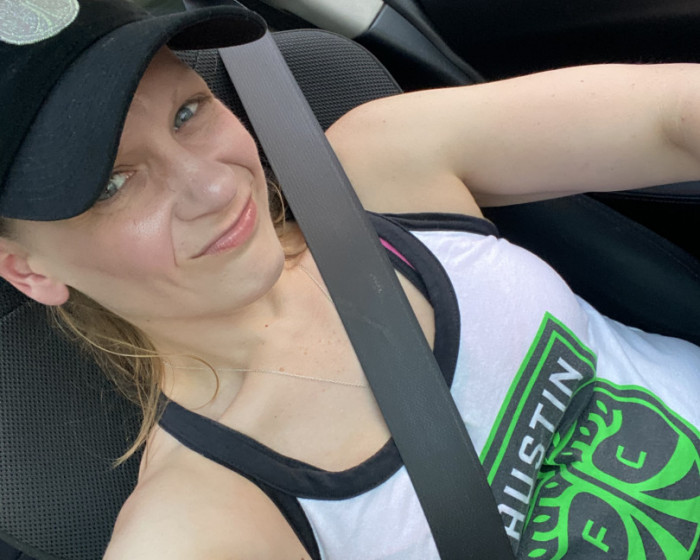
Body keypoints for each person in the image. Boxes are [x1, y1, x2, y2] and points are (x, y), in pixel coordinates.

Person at [1, 1, 699, 558]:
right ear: (27, 269)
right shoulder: (206, 522)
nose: (214, 187)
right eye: (113, 184)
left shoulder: (377, 165)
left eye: (188, 112)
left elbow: (671, 120)